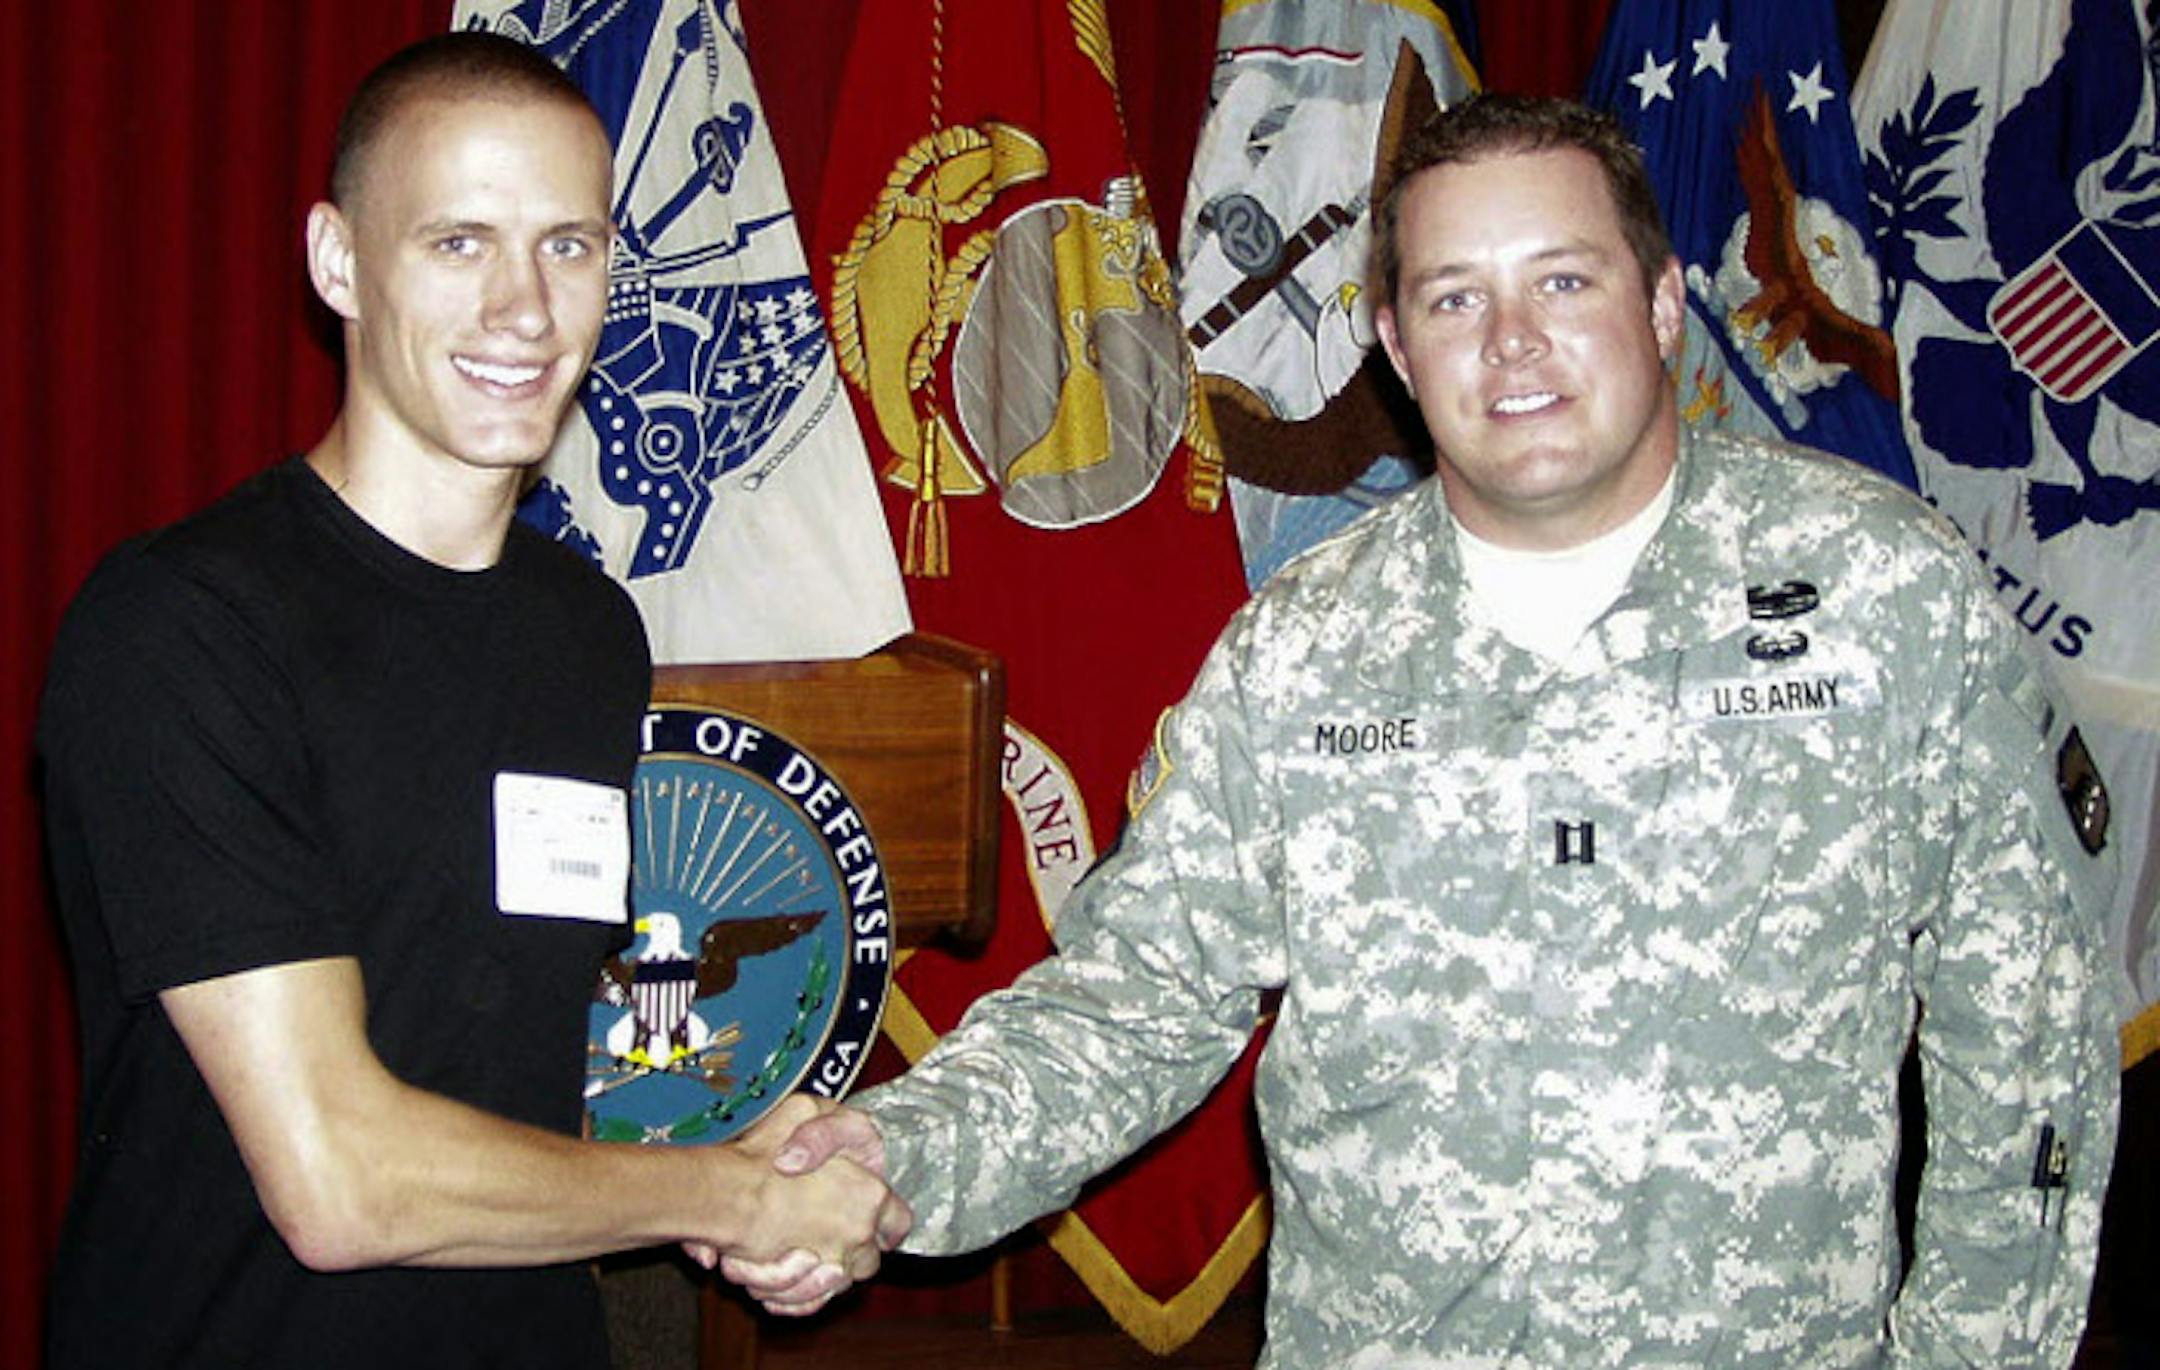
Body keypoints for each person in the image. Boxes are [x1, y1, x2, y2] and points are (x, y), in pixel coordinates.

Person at [728, 94, 2123, 1365]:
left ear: (1660, 303)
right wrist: (892, 1152)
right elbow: (1135, 1001)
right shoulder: (1304, 648)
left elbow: (2032, 1034)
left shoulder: (1885, 595)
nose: (1513, 343)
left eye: (1563, 281)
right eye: (1455, 298)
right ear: (1395, 344)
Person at [36, 32, 906, 1370]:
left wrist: (745, 1148)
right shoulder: (183, 627)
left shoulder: (589, 632)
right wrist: (732, 1197)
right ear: (340, 263)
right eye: (459, 243)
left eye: (570, 245)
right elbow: (343, 1179)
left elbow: (506, 1019)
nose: (524, 308)